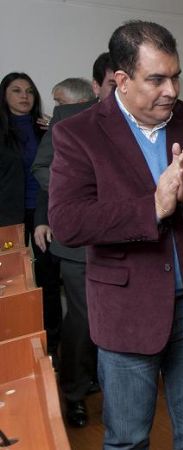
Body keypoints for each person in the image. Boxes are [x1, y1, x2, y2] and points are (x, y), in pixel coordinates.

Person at [48, 21, 183, 448]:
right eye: (157, 79)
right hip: (127, 311)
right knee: (127, 440)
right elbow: (69, 221)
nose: (172, 90)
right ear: (122, 80)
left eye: (175, 75)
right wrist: (153, 207)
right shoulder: (77, 134)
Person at [31, 52, 116, 429]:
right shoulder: (68, 118)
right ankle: (74, 393)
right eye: (114, 85)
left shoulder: (153, 121)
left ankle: (113, 389)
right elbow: (42, 167)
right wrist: (81, 195)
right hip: (81, 243)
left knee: (119, 320)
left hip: (131, 242)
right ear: (97, 87)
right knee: (82, 320)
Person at [0, 72, 62, 358]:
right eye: (16, 91)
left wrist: (58, 130)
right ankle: (17, 352)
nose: (24, 96)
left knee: (47, 279)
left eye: (29, 91)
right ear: (5, 96)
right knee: (13, 285)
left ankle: (53, 348)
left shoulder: (46, 129)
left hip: (43, 215)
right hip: (7, 219)